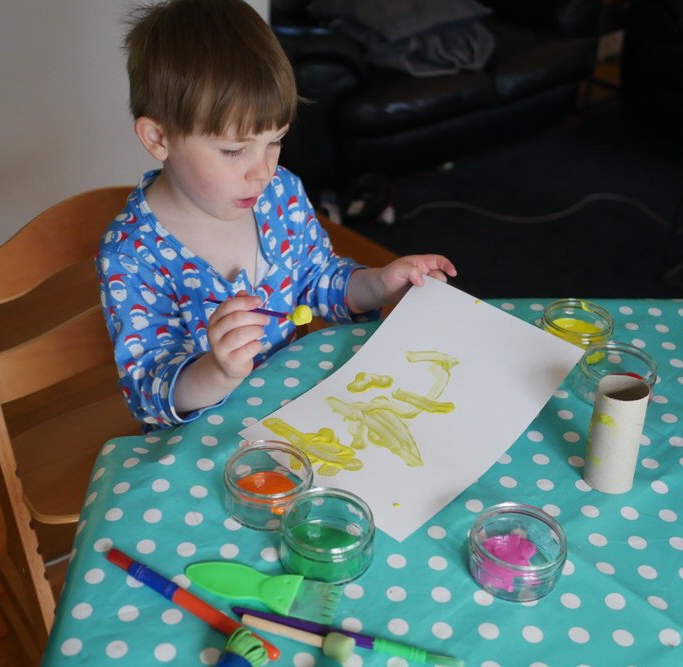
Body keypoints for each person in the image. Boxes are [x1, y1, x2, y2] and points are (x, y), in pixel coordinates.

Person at [99, 0, 456, 432]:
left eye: (276, 141)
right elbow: (147, 393)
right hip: (201, 445)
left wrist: (379, 283)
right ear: (158, 138)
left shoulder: (279, 193)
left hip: (295, 415)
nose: (262, 170)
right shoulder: (132, 253)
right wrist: (217, 371)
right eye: (234, 150)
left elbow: (319, 281)